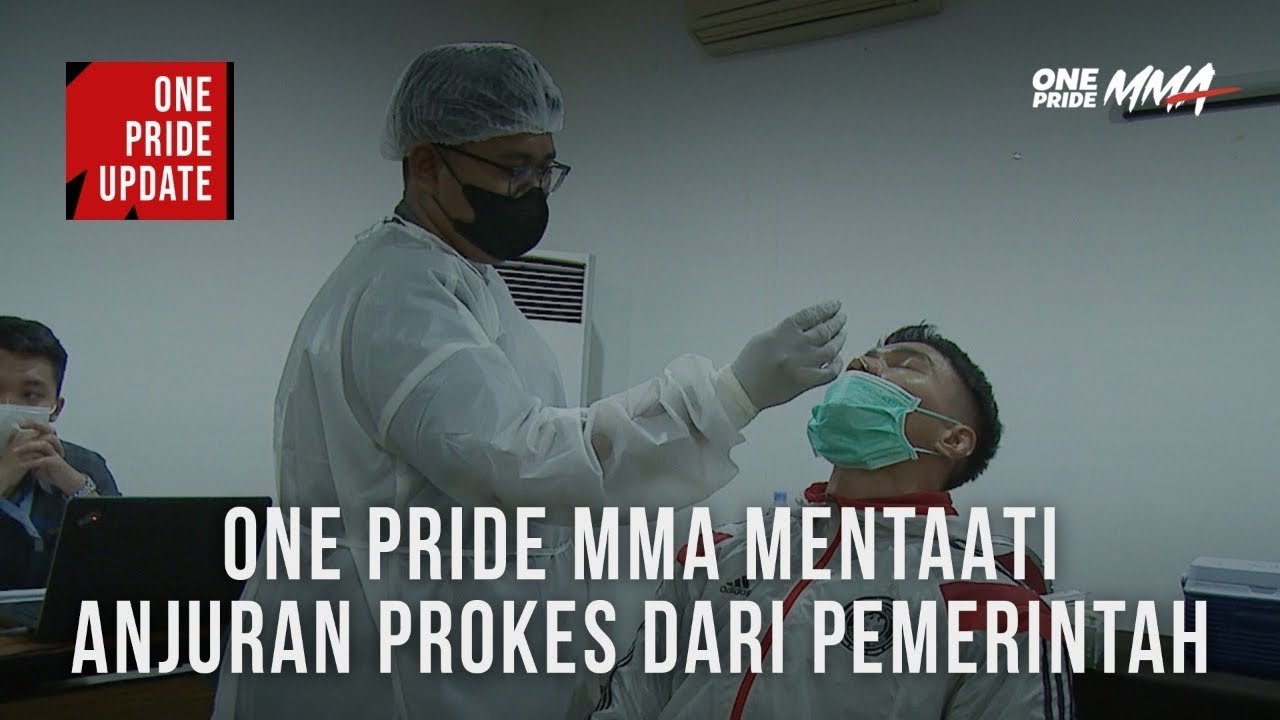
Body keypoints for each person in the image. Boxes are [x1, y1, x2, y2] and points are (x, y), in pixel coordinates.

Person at [211, 42, 847, 719]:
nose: (535, 191)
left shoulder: (467, 278)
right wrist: (726, 398)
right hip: (381, 663)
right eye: (515, 168)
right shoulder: (401, 294)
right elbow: (518, 461)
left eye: (547, 169)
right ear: (427, 164)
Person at [590, 323, 1075, 720]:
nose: (862, 363)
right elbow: (632, 701)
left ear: (954, 439)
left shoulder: (994, 605)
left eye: (907, 364)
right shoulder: (719, 551)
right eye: (868, 356)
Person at [0, 317, 120, 590]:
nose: (8, 405)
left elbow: (126, 556)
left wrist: (77, 488)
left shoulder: (84, 464)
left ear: (56, 408)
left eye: (31, 395)